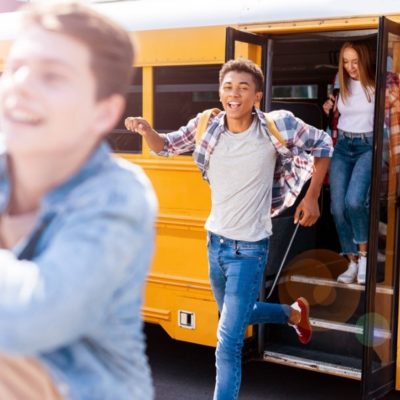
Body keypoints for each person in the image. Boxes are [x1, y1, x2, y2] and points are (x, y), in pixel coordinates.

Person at [125, 57, 333, 400]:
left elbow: (324, 145)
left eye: (243, 87)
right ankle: (294, 314)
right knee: (241, 313)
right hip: (215, 244)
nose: (234, 94)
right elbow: (167, 146)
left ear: (257, 96)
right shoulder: (207, 124)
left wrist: (312, 199)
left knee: (228, 340)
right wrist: (147, 131)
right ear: (221, 93)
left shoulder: (278, 126)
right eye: (227, 86)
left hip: (250, 249)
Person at [0, 1, 157, 399]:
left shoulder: (118, 194)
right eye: (15, 67)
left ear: (103, 113)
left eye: (52, 76)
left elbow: (34, 318)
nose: (20, 84)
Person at [323, 41, 375, 285]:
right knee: (337, 207)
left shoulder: (378, 85)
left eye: (354, 61)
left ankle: (364, 256)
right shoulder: (339, 83)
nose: (350, 67)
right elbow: (336, 113)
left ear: (364, 60)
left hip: (367, 146)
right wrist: (328, 109)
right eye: (345, 61)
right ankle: (351, 262)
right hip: (342, 146)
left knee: (355, 201)